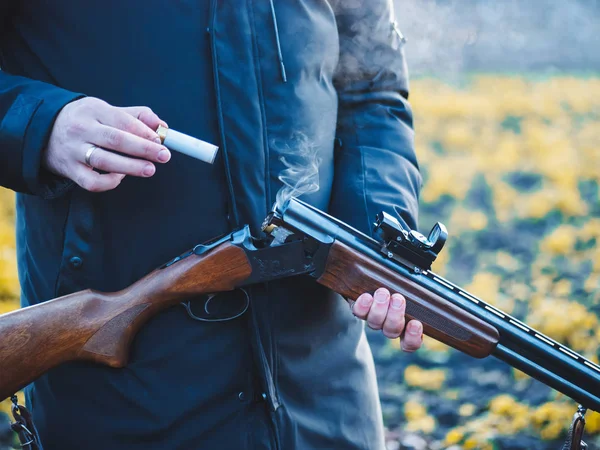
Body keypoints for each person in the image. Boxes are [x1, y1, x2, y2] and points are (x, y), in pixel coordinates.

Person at [0, 1, 423, 448]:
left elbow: (374, 90)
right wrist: (43, 125)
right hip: (122, 398)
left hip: (325, 388)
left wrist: (375, 236)